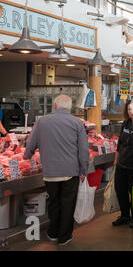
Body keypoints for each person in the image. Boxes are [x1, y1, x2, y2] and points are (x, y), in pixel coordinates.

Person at [23, 95, 89, 246]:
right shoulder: (77, 123)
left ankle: (53, 232)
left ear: (54, 106)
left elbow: (30, 144)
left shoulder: (41, 122)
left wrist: (27, 156)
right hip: (70, 171)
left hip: (50, 172)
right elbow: (83, 150)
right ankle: (64, 236)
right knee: (68, 203)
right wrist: (83, 170)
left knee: (53, 202)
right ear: (70, 108)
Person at [112, 101, 133, 228]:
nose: (131, 111)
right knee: (121, 191)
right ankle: (124, 215)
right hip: (121, 164)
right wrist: (116, 160)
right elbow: (120, 144)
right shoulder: (126, 123)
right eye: (129, 109)